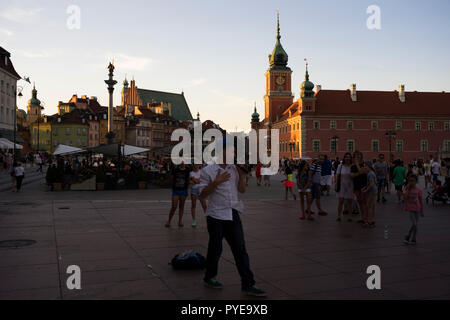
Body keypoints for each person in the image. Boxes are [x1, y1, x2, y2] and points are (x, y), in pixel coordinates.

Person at [198, 139, 266, 297]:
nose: (234, 154)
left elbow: (242, 190)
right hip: (215, 215)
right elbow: (201, 194)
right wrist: (215, 183)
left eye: (234, 151)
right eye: (231, 151)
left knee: (240, 249)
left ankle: (248, 284)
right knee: (216, 249)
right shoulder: (207, 171)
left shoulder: (235, 169)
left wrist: (242, 176)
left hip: (232, 213)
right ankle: (209, 277)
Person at [165, 162, 190, 228]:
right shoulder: (175, 169)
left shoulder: (187, 170)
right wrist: (173, 186)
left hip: (183, 190)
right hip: (176, 190)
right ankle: (169, 221)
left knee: (181, 206)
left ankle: (180, 221)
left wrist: (186, 189)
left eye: (184, 162)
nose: (182, 163)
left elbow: (188, 180)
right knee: (174, 206)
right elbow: (172, 178)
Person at [403, 175, 424, 245]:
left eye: (413, 181)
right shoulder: (407, 189)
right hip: (410, 209)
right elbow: (405, 197)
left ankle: (411, 238)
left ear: (416, 181)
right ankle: (410, 236)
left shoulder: (419, 190)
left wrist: (422, 211)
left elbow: (421, 201)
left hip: (417, 209)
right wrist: (407, 189)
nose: (411, 182)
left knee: (415, 224)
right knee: (414, 224)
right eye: (410, 181)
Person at [350, 151, 368, 223]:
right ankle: (362, 217)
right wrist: (358, 173)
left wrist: (357, 165)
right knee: (359, 201)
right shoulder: (352, 166)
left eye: (358, 156)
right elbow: (351, 175)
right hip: (356, 184)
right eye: (355, 156)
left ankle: (365, 218)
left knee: (364, 201)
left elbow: (363, 171)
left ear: (361, 156)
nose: (357, 157)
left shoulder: (364, 164)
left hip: (363, 184)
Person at [336, 153, 354, 222]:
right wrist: (336, 184)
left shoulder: (352, 166)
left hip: (350, 185)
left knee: (350, 202)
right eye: (346, 157)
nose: (347, 158)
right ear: (344, 158)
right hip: (342, 185)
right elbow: (337, 175)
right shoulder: (340, 166)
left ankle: (350, 217)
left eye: (349, 157)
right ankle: (339, 216)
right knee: (340, 201)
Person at [362, 161, 377, 228]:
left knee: (369, 206)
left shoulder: (370, 174)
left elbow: (371, 184)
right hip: (374, 191)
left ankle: (369, 221)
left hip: (371, 191)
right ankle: (372, 220)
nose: (364, 168)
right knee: (372, 206)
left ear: (368, 167)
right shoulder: (372, 173)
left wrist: (366, 190)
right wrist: (365, 187)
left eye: (365, 166)